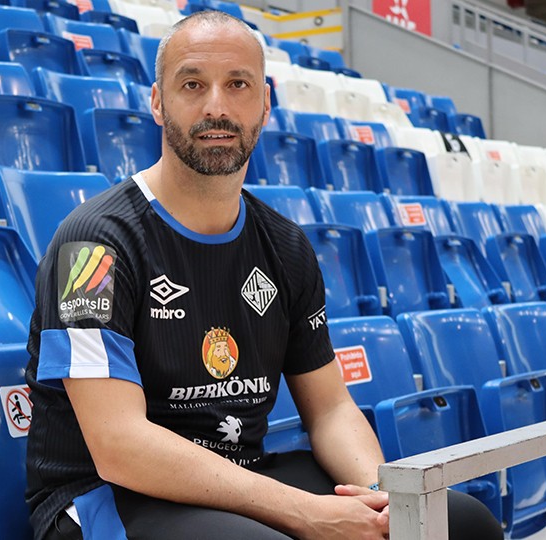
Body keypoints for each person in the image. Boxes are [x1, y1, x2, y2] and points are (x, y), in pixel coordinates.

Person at [25, 10, 504, 540]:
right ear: (158, 103)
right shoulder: (90, 248)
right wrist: (301, 512)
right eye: (192, 84)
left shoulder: (285, 246)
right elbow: (119, 447)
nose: (216, 106)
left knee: (458, 523)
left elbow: (329, 410)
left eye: (238, 85)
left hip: (235, 481)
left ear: (265, 104)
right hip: (106, 498)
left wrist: (385, 501)